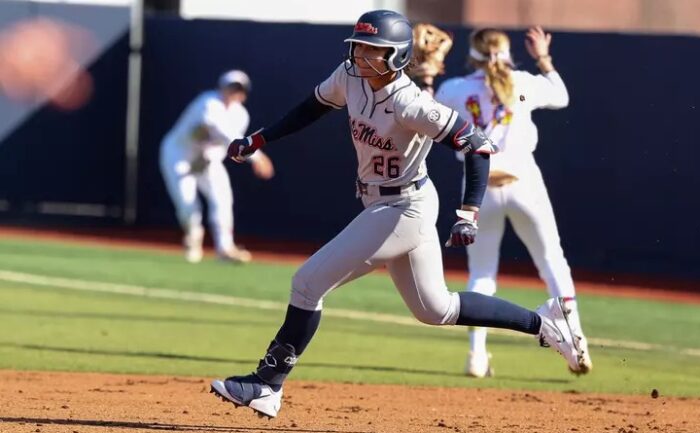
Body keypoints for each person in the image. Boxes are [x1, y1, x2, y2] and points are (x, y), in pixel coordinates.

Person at [210, 11, 587, 419]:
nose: (362, 55)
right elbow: (312, 107)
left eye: (374, 50)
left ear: (397, 57)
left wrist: (469, 212)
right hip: (383, 202)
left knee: (306, 283)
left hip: (405, 207)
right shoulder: (349, 76)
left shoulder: (410, 102)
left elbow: (478, 145)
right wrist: (259, 138)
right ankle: (545, 322)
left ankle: (267, 384)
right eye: (359, 46)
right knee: (435, 309)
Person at [435, 27, 592, 378]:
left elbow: (427, 113)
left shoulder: (455, 89)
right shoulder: (521, 82)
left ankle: (477, 356)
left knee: (482, 273)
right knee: (552, 261)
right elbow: (562, 96)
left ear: (471, 55)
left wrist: (428, 74)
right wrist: (543, 57)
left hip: (479, 186)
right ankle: (576, 339)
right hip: (524, 180)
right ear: (508, 53)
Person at [159, 70, 274, 263]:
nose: (234, 92)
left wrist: (211, 158)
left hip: (209, 159)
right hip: (178, 155)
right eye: (231, 87)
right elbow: (221, 131)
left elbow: (229, 145)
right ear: (221, 87)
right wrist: (257, 157)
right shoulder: (208, 102)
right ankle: (193, 240)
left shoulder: (240, 114)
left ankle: (225, 248)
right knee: (188, 206)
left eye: (239, 89)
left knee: (223, 198)